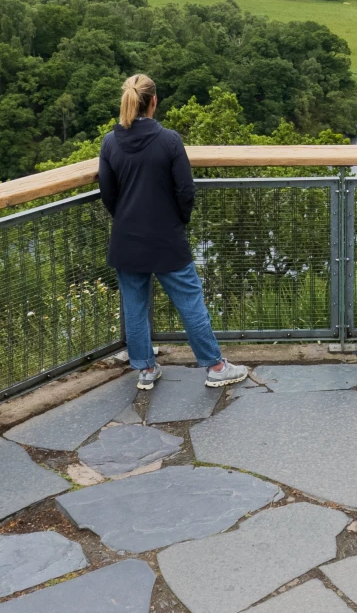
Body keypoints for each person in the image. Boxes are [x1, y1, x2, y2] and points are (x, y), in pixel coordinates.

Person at [99, 73, 250, 391]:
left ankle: (145, 369)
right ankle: (215, 367)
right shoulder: (169, 140)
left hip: (127, 239)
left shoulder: (110, 142)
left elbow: (108, 194)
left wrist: (125, 219)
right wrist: (177, 221)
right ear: (154, 101)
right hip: (166, 237)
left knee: (134, 307)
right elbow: (185, 190)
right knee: (190, 301)